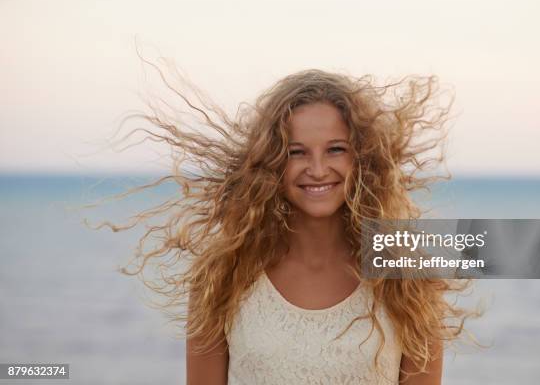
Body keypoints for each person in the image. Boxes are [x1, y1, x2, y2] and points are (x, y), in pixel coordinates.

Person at [110, 61, 474, 384]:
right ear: (270, 162)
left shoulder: (409, 275)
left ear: (363, 158)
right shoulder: (224, 275)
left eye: (335, 149)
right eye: (296, 152)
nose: (317, 169)